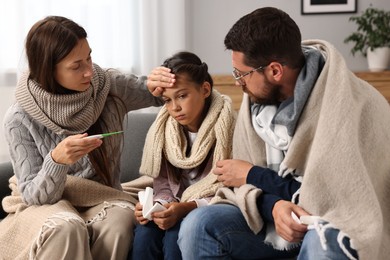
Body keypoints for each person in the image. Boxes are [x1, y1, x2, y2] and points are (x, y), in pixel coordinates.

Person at [148, 7, 390, 260]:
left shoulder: (355, 105)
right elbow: (237, 187)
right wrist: (273, 205)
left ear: (275, 71)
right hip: (271, 221)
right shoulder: (255, 106)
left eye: (241, 75)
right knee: (200, 224)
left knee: (323, 243)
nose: (238, 83)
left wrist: (254, 175)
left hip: (330, 225)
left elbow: (336, 200)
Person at [0, 16, 169, 260]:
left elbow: (160, 94)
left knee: (120, 221)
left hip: (102, 196)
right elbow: (36, 196)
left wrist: (163, 78)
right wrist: (57, 161)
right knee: (66, 226)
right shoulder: (19, 118)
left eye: (89, 57)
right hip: (45, 203)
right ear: (48, 69)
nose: (89, 71)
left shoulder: (108, 85)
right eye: (76, 65)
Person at [131, 51, 236, 259]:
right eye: (167, 100)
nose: (175, 107)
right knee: (145, 232)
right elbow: (162, 185)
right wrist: (156, 206)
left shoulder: (230, 129)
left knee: (174, 235)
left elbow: (232, 190)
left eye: (182, 95)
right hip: (176, 206)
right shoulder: (164, 131)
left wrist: (185, 208)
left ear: (205, 89)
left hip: (206, 209)